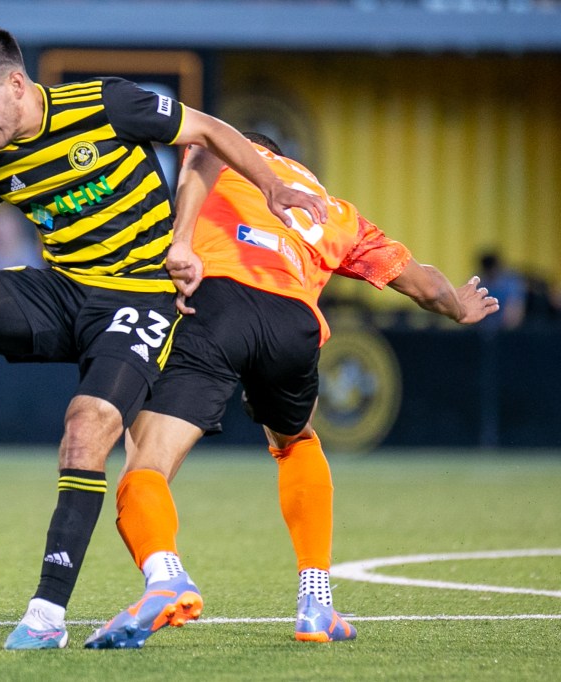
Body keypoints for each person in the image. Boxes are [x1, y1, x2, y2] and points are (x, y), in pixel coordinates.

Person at [0, 26, 327, 650]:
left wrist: (273, 186)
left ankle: (47, 614)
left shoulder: (104, 105)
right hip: (65, 288)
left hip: (140, 296)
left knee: (87, 427)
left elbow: (208, 132)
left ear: (15, 84)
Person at [83, 133, 500, 649]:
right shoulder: (332, 210)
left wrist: (182, 240)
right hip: (294, 324)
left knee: (146, 460)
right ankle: (316, 603)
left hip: (217, 305)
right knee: (295, 440)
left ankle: (165, 574)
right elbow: (425, 286)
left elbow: (207, 151)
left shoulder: (226, 160)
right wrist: (460, 306)